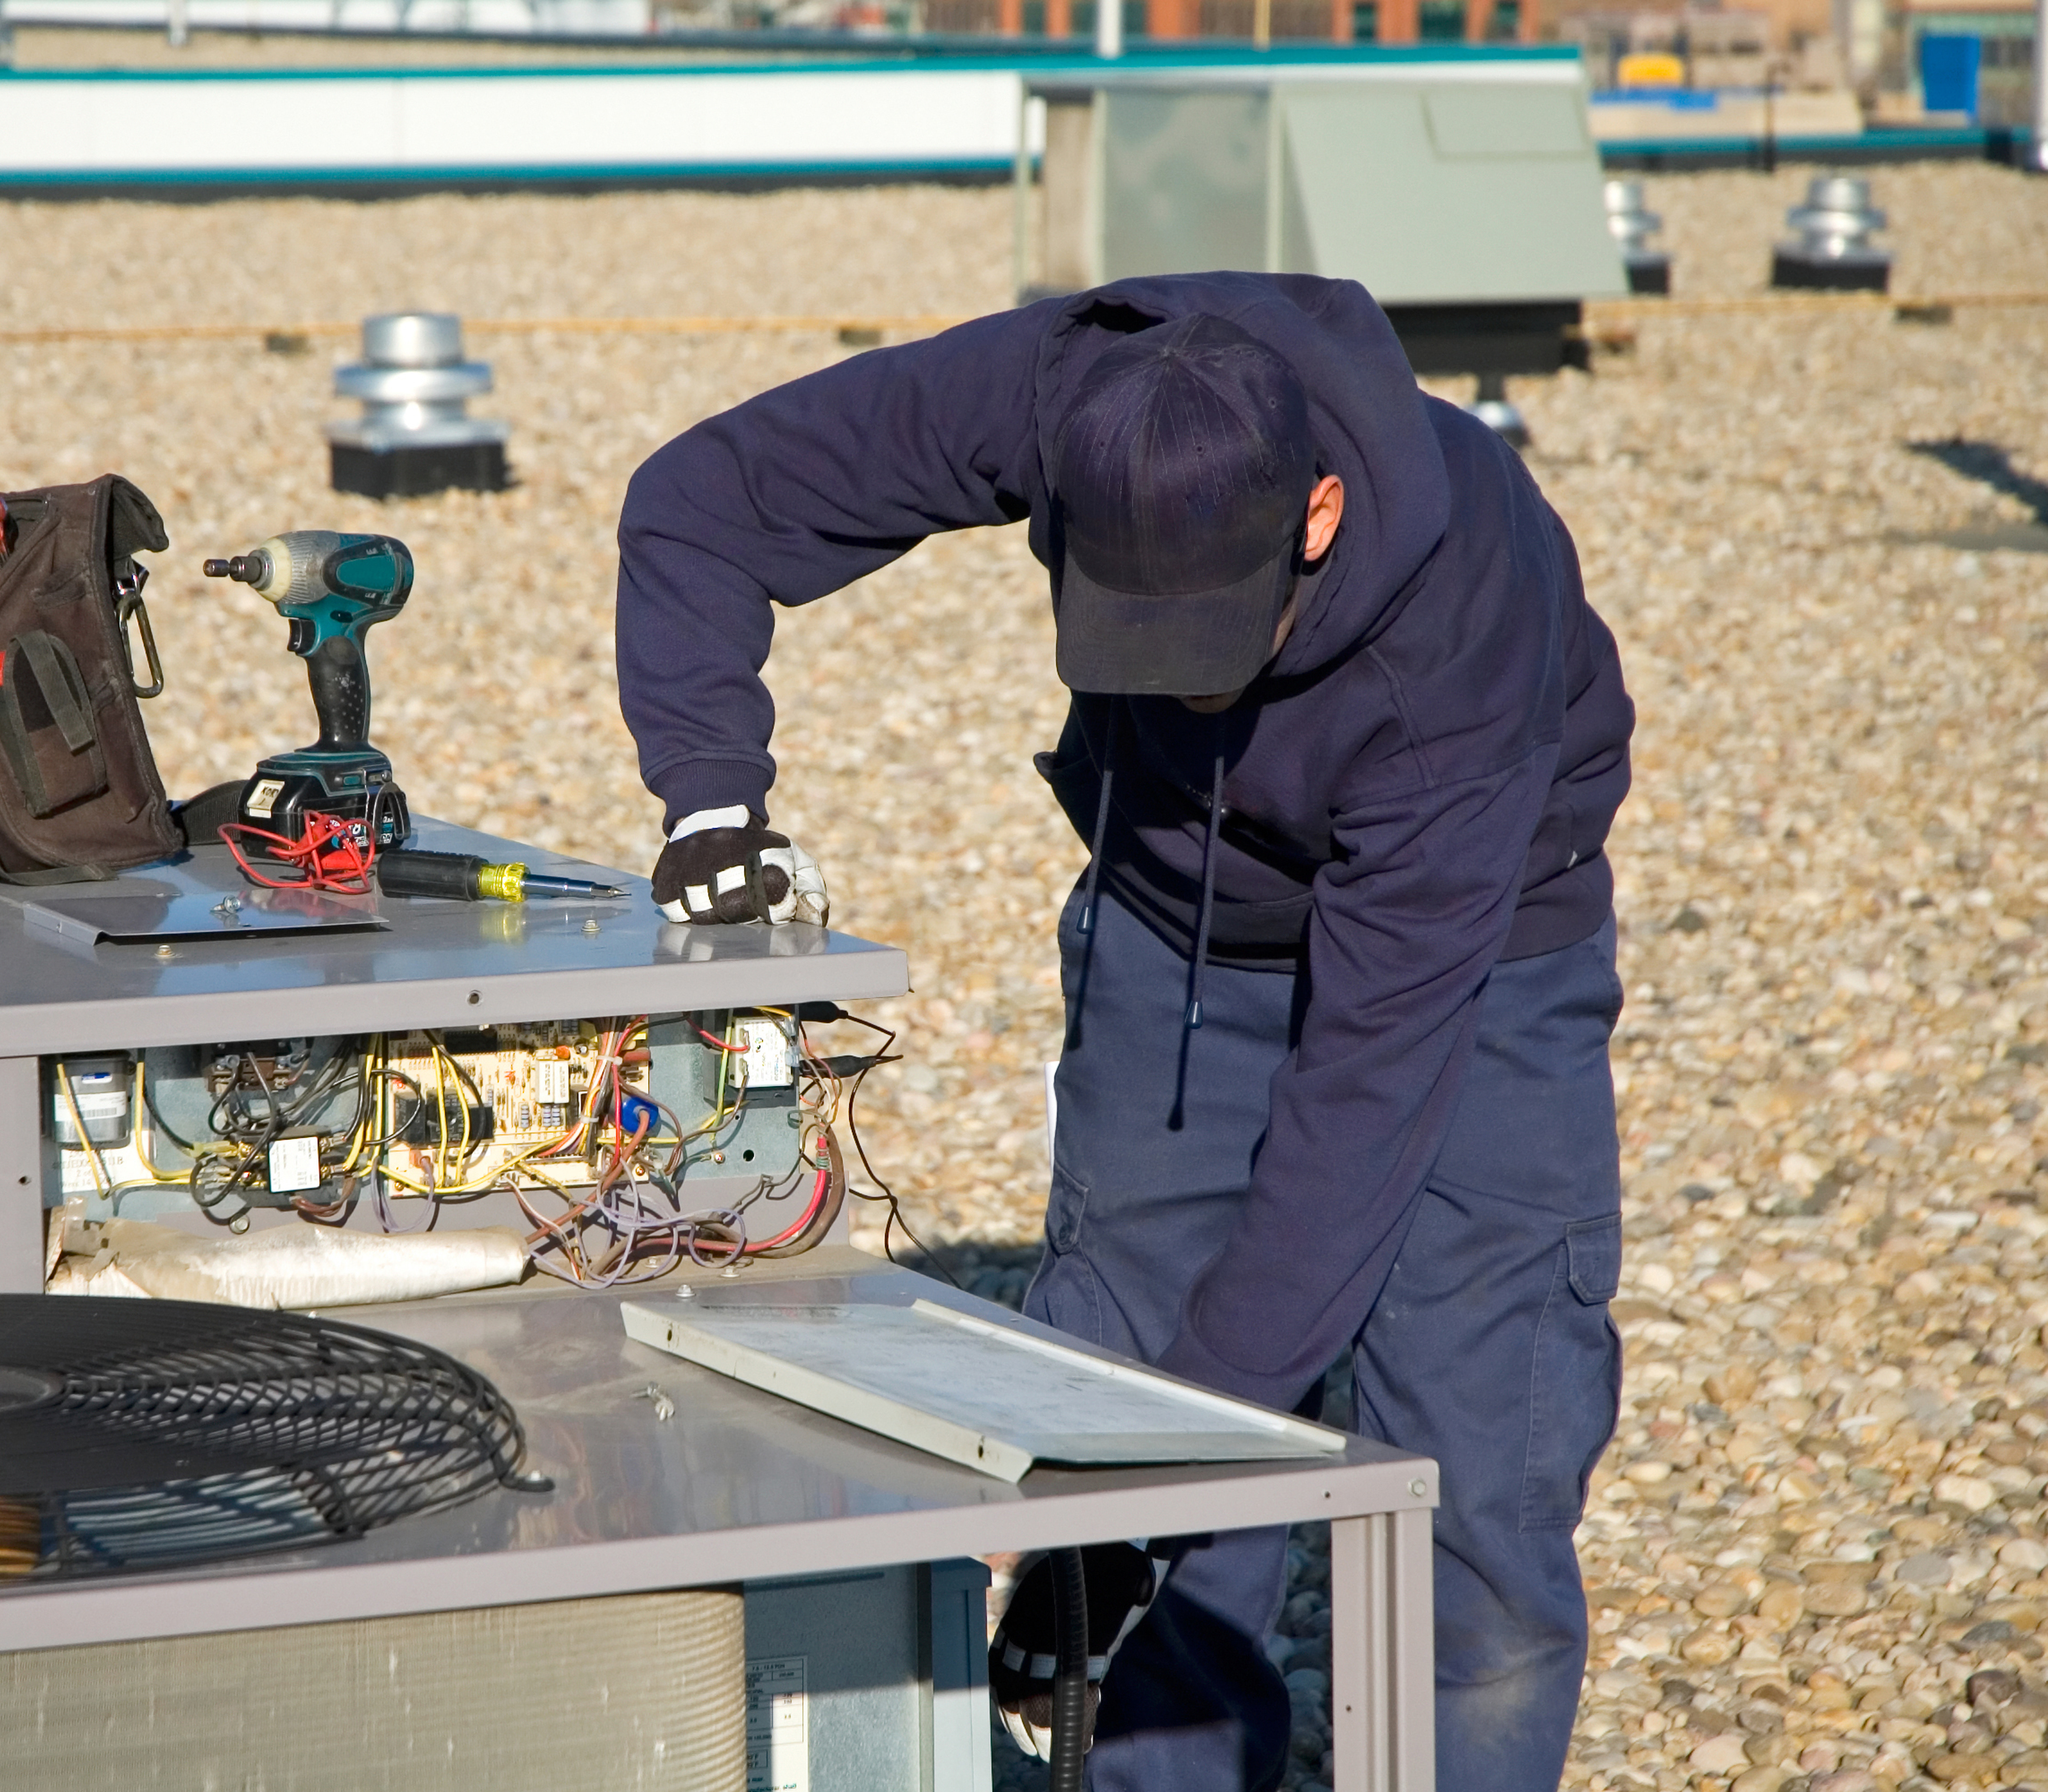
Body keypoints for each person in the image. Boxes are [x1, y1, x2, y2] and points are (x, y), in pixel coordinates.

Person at [613, 273, 1634, 1792]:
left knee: (1473, 1486)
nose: (1185, 678)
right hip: (1176, 913)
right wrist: (711, 800)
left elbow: (1352, 1138)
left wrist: (1165, 1494)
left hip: (1477, 954)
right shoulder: (1065, 394)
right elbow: (700, 501)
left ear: (1321, 515)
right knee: (1119, 1397)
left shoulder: (1453, 646)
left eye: (1213, 641)